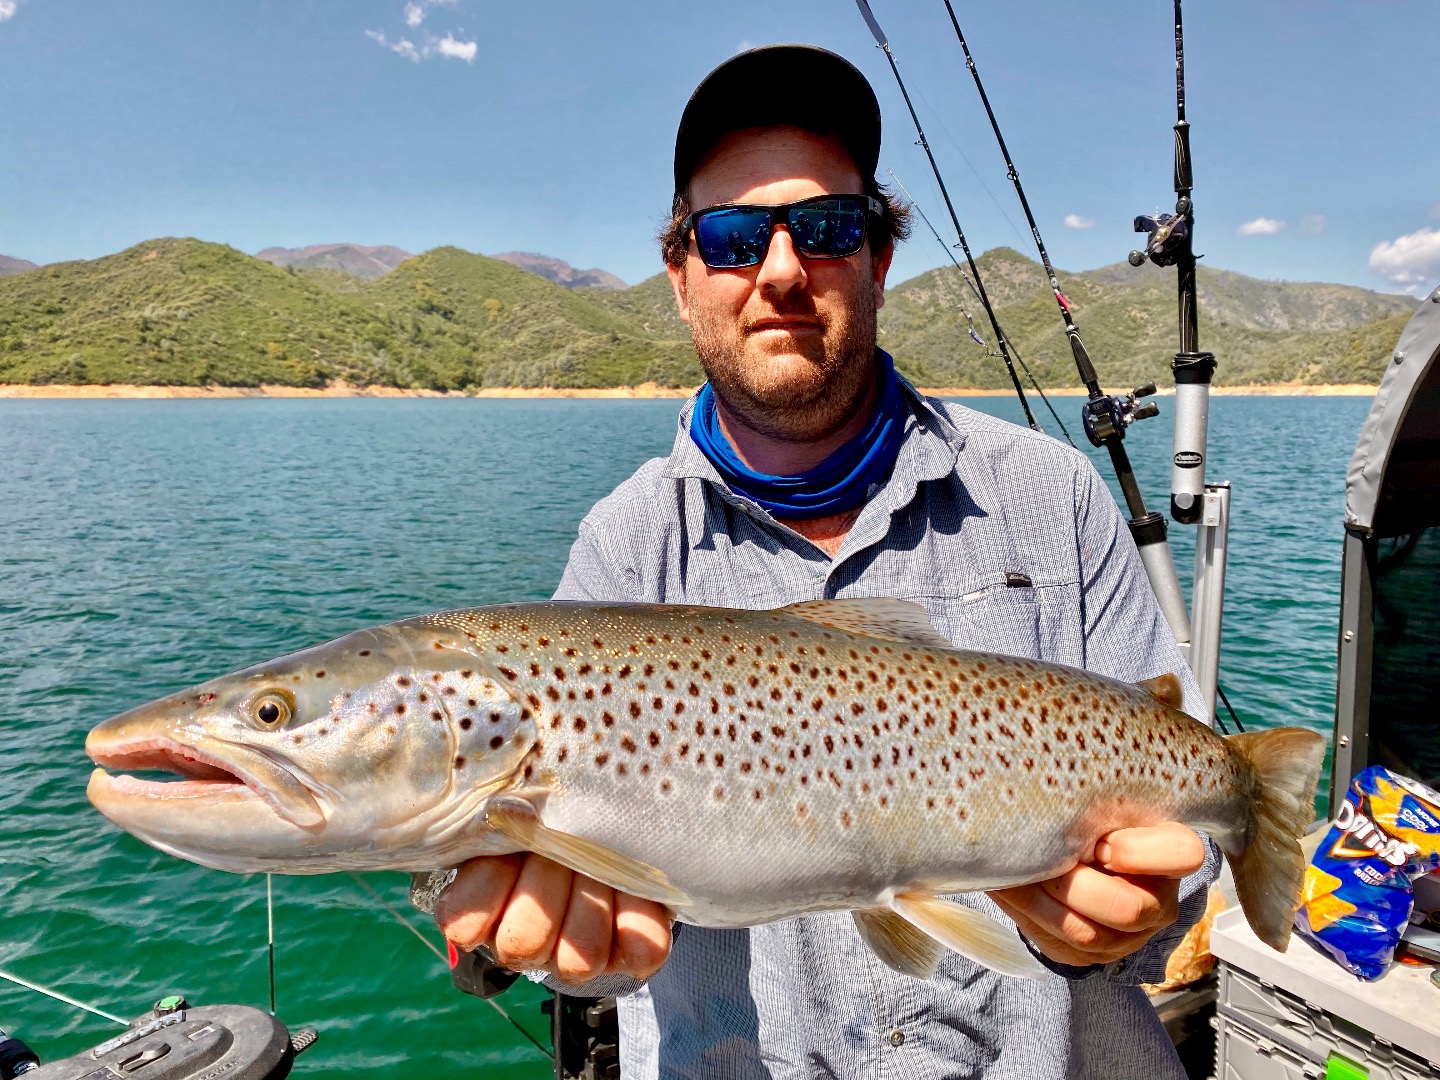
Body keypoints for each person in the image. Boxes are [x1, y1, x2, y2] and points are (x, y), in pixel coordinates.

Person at [435, 44, 1218, 1080]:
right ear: (680, 279)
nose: (782, 270)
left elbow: (1191, 825)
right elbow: (568, 923)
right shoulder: (622, 551)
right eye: (729, 237)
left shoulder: (1051, 496)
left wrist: (1143, 905)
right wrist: (514, 934)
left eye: (827, 228)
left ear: (878, 258)